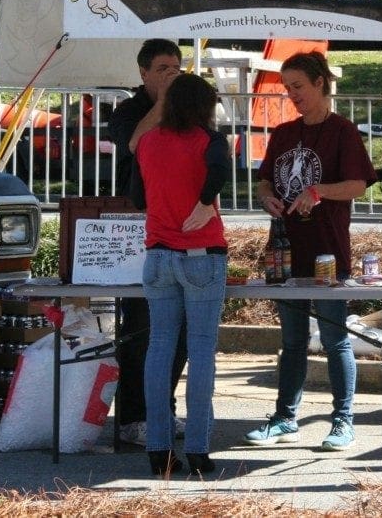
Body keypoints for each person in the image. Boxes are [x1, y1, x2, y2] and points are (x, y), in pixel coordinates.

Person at [243, 51, 377, 452]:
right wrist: (266, 197)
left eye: (297, 86)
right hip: (285, 251)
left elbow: (358, 184)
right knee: (294, 339)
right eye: (287, 88)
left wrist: (318, 191)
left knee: (335, 337)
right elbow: (264, 181)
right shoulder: (284, 133)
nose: (292, 95)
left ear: (320, 83)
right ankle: (285, 417)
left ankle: (342, 420)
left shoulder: (343, 131)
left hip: (328, 253)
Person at [132, 72, 230, 476]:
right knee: (202, 349)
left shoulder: (148, 142)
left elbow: (138, 196)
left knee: (159, 348)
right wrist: (206, 201)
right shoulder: (210, 140)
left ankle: (158, 448)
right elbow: (221, 169)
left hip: (157, 253)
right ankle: (198, 448)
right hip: (201, 254)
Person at [106, 39, 187, 447]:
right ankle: (132, 416)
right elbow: (135, 143)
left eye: (176, 66)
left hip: (182, 228)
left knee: (183, 328)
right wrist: (164, 102)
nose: (171, 74)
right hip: (138, 226)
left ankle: (162, 409)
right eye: (161, 68)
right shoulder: (129, 110)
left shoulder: (188, 106)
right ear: (143, 73)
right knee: (142, 326)